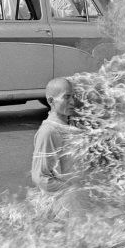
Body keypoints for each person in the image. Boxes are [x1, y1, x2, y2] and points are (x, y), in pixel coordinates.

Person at [31, 78, 83, 218]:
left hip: (73, 202)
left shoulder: (68, 125)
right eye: (66, 97)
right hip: (63, 207)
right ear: (51, 101)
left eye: (73, 96)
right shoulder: (49, 132)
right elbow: (40, 177)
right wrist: (70, 191)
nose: (72, 102)